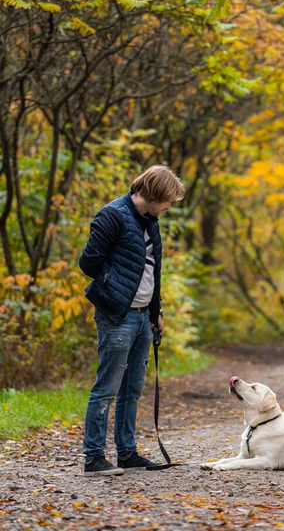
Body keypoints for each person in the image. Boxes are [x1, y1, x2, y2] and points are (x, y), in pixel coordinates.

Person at [79, 165, 185, 476]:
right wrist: (113, 293)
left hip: (143, 319)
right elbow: (88, 262)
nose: (168, 208)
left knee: (132, 389)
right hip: (118, 316)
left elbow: (154, 269)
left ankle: (127, 453)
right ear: (154, 193)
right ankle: (94, 457)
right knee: (107, 387)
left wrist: (156, 313)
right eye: (167, 201)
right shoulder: (113, 214)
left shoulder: (152, 223)